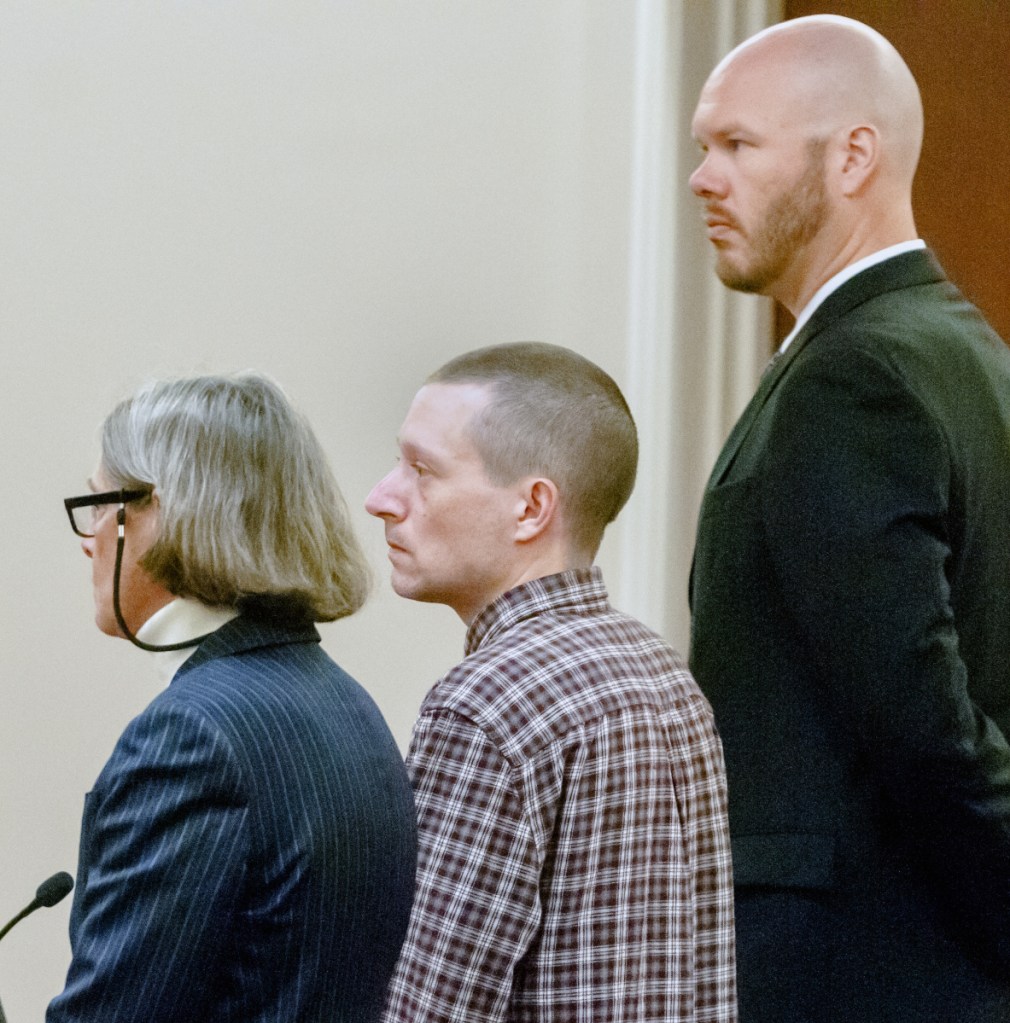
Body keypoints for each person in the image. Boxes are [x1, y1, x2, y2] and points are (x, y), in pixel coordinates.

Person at [688, 14, 1010, 1022]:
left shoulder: (852, 376)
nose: (702, 177)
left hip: (858, 969)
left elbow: (922, 725)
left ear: (852, 157)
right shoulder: (968, 354)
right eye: (703, 147)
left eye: (737, 145)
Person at [366, 341, 736, 1023]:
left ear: (532, 507)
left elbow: (430, 1008)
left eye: (422, 469)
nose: (381, 498)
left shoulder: (485, 706)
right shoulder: (662, 672)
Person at [50, 373, 417, 1022]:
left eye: (101, 503)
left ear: (159, 513)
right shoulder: (345, 701)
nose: (90, 536)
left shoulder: (191, 737)